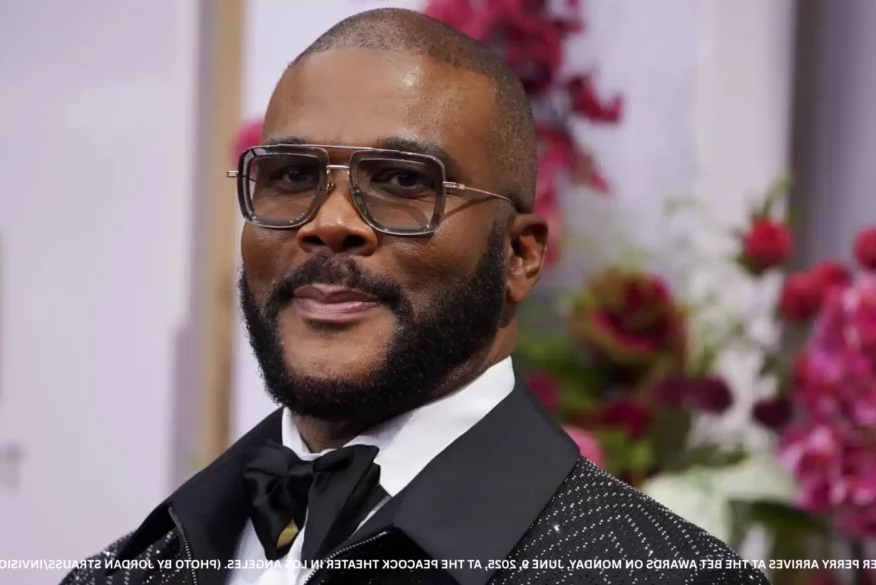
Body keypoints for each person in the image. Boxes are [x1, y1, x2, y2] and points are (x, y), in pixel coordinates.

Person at [63, 8, 769, 585]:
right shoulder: (124, 573)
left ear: (520, 256)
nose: (328, 222)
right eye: (291, 176)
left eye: (402, 181)